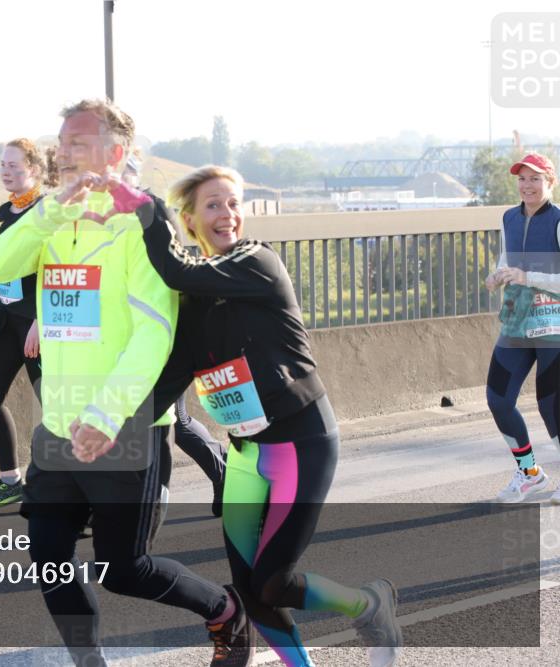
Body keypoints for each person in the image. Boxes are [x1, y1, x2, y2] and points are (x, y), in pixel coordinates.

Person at [0, 100, 240, 667]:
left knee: (126, 569)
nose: (62, 151)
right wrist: (48, 214)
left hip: (124, 425)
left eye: (77, 141)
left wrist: (105, 415)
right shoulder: (55, 216)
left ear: (116, 153)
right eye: (61, 140)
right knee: (48, 557)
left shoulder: (143, 220)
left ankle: (224, 611)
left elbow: (154, 333)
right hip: (58, 423)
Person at [131, 164, 403, 667]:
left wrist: (146, 207)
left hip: (302, 441)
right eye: (213, 204)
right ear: (190, 220)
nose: (228, 214)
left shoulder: (257, 261)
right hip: (244, 449)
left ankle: (369, 604)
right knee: (249, 587)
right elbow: (177, 373)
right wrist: (117, 423)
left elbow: (175, 268)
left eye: (234, 202)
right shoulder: (192, 294)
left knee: (276, 581)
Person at [122, 150, 227, 516]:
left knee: (170, 419)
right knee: (163, 419)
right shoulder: (101, 217)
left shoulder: (150, 209)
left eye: (122, 173)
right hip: (124, 334)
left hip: (163, 332)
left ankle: (224, 477)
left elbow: (172, 266)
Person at [0, 139, 55, 512]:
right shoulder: (6, 211)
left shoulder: (48, 212)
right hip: (6, 320)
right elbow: (0, 264)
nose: (6, 172)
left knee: (57, 410)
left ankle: (74, 497)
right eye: (3, 165)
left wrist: (41, 319)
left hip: (37, 323)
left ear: (34, 170)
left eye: (14, 166)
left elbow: (56, 268)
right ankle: (10, 482)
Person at [484, 152, 560, 505]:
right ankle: (530, 473)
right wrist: (498, 275)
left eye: (535, 179)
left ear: (550, 182)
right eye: (522, 178)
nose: (527, 185)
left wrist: (530, 278)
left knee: (551, 407)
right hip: (517, 321)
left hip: (553, 326)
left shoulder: (559, 220)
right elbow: (508, 259)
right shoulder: (509, 217)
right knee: (499, 399)